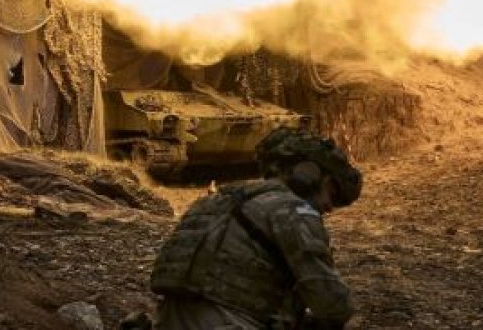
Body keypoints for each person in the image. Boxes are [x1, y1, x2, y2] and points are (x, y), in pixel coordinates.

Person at [150, 127, 363, 329]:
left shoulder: (218, 200)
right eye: (332, 193)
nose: (329, 207)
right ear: (308, 174)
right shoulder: (291, 210)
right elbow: (332, 303)